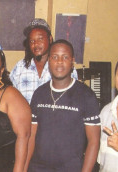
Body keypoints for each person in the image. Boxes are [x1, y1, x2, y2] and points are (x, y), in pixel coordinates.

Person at [27, 40, 100, 171]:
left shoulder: (86, 96)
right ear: (48, 61)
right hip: (38, 168)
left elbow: (94, 142)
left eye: (65, 57)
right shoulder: (39, 93)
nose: (59, 61)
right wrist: (24, 167)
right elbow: (31, 136)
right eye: (55, 57)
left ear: (72, 61)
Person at [10, 18, 78, 103]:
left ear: (50, 39)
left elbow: (73, 99)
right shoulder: (19, 68)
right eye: (32, 41)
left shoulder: (63, 67)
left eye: (40, 39)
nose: (36, 44)